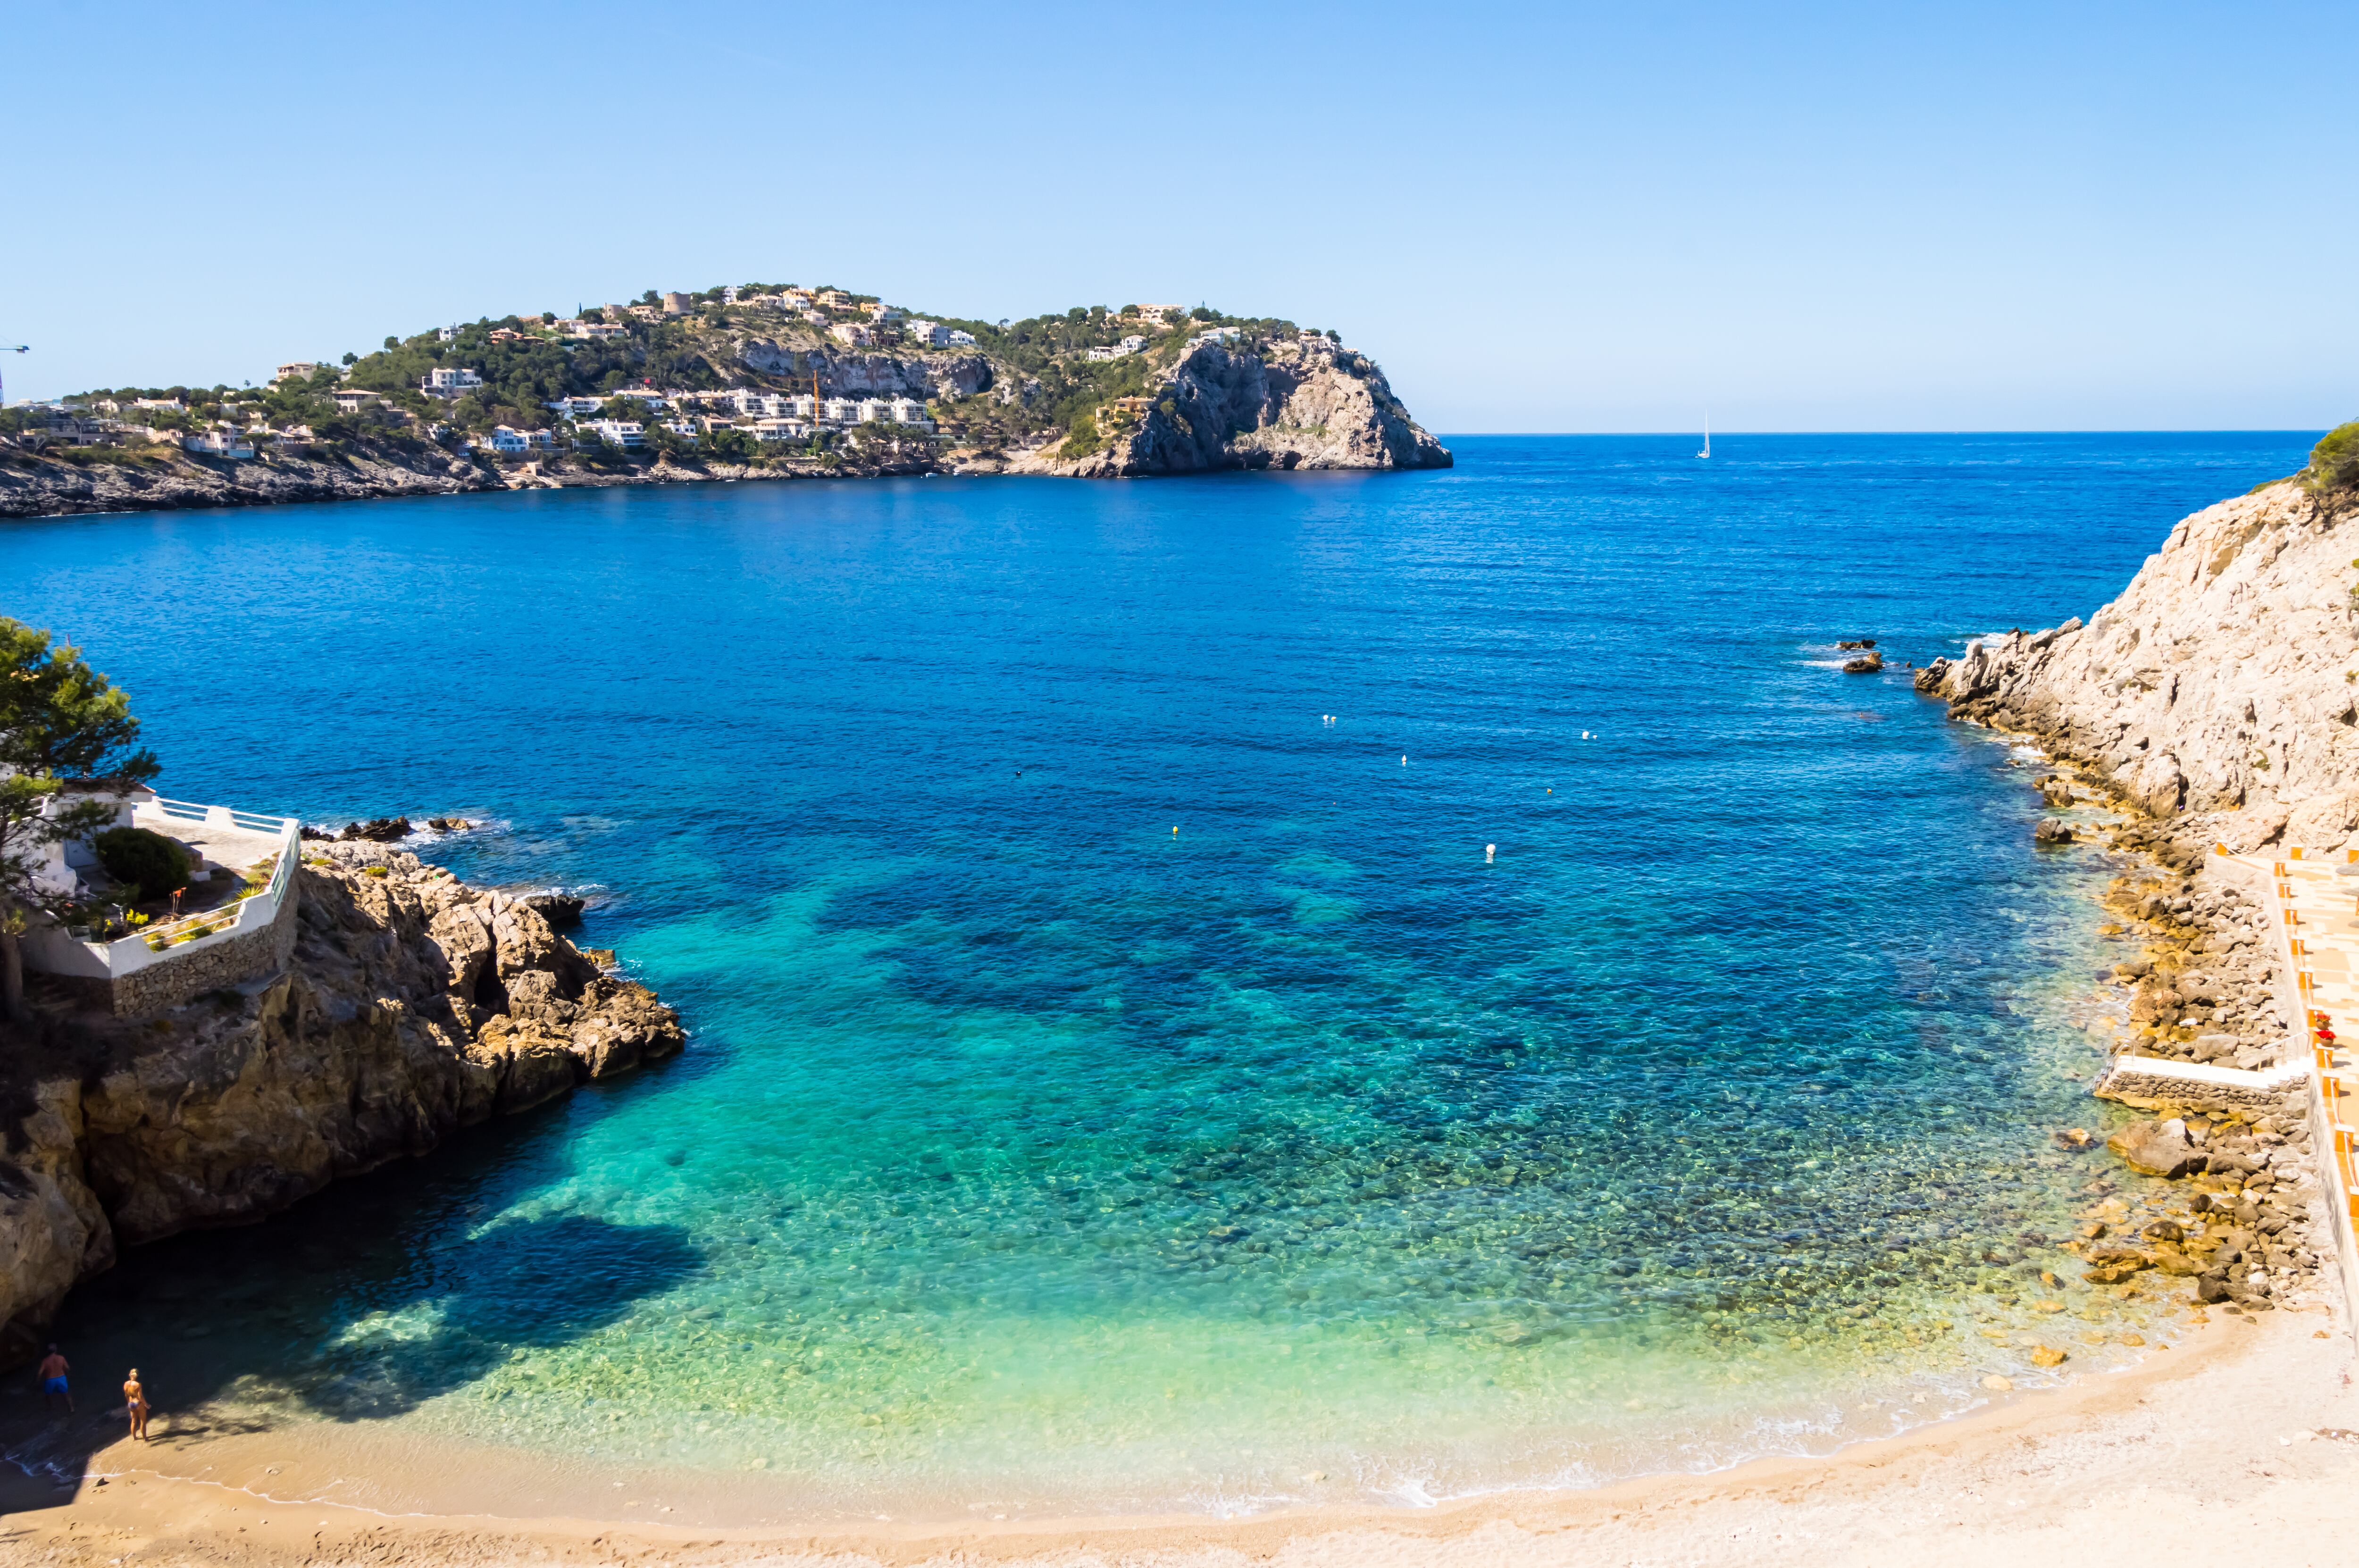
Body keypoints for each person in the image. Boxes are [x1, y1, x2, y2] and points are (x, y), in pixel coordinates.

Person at [36, 1345, 70, 1415]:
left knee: (48, 1395)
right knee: (66, 1394)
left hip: (50, 1380)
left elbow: (40, 1373)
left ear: (48, 1352)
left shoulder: (45, 1361)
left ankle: (50, 1407)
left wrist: (38, 1382)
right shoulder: (61, 1358)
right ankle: (71, 1408)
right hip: (61, 1378)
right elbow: (67, 1368)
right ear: (56, 1350)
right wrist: (68, 1377)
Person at [122, 1368, 149, 1443]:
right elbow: (140, 1397)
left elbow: (126, 1395)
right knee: (143, 1422)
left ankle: (135, 1438)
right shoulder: (138, 1384)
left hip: (131, 1403)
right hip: (139, 1404)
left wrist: (129, 1403)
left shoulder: (126, 1384)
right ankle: (145, 1438)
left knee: (134, 1421)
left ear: (130, 1375)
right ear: (137, 1375)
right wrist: (146, 1405)